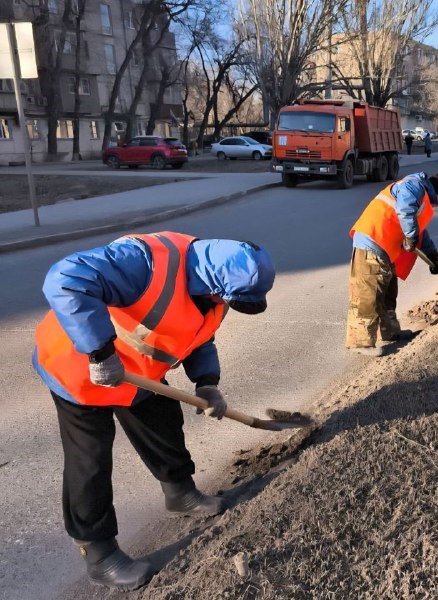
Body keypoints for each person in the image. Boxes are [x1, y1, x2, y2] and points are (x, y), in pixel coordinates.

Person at [33, 233, 275, 592]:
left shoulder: (210, 290)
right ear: (215, 285)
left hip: (139, 373)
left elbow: (198, 332)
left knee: (163, 423)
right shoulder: (141, 262)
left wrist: (206, 381)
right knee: (90, 459)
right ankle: (99, 554)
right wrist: (100, 352)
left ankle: (180, 494)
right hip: (79, 367)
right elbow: (64, 279)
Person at [347, 171, 438, 357]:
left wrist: (433, 257)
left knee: (388, 293)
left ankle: (390, 332)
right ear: (437, 192)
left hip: (386, 249)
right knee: (368, 294)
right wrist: (410, 236)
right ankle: (360, 342)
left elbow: (420, 232)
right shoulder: (414, 186)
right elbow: (405, 211)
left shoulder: (423, 200)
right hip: (372, 241)